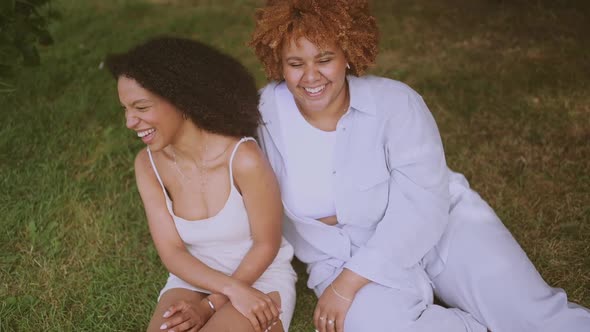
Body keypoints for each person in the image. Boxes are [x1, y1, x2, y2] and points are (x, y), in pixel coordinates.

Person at [248, 1, 590, 331]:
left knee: (532, 317)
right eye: (295, 63)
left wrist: (346, 286)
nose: (311, 77)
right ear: (278, 61)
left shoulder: (397, 103)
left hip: (441, 228)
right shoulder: (262, 116)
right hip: (336, 256)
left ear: (348, 54)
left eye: (324, 59)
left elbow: (423, 205)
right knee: (377, 326)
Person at [105, 36, 297, 332]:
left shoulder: (243, 158)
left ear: (180, 100)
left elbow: (266, 243)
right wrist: (214, 294)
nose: (130, 121)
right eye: (125, 109)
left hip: (258, 276)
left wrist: (211, 305)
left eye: (141, 107)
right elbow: (172, 252)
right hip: (193, 277)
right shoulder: (147, 165)